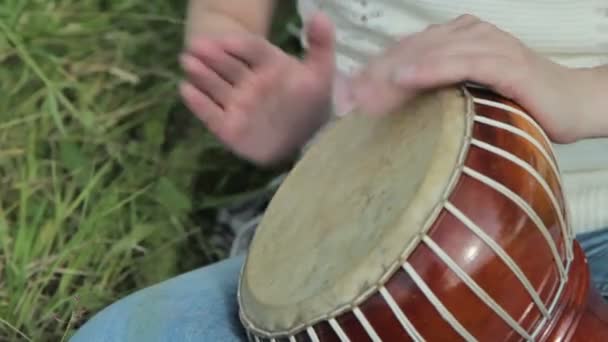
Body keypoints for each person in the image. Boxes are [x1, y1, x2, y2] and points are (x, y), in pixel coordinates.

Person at [70, 1, 608, 341]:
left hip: (588, 223)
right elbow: (227, 15)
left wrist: (578, 95)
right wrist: (266, 95)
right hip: (354, 239)